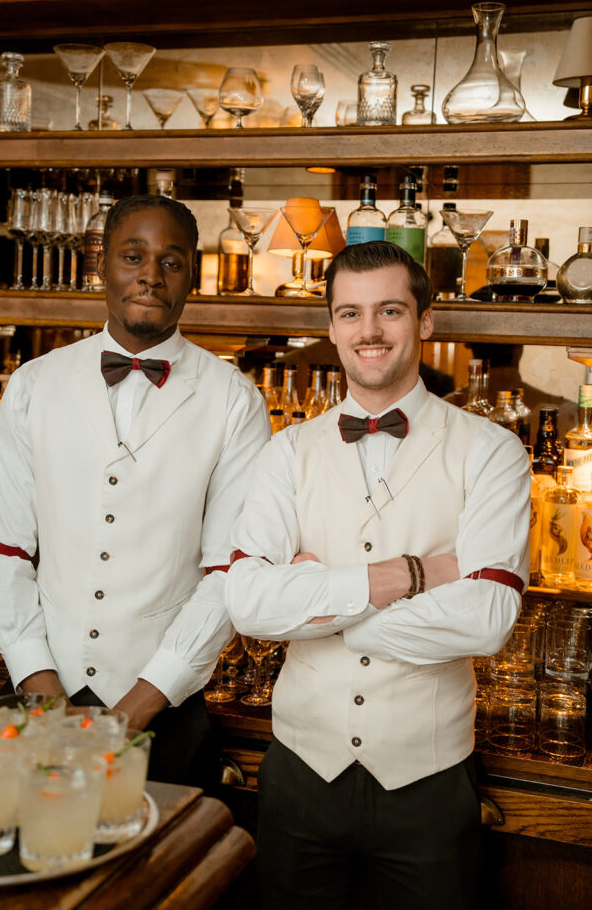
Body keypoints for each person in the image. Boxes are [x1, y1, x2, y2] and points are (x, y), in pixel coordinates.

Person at [226, 240, 530, 910]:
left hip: (428, 782)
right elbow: (247, 604)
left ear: (423, 320)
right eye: (349, 313)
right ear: (331, 326)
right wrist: (414, 574)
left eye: (389, 310)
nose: (368, 331)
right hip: (299, 776)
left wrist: (321, 603)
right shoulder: (286, 452)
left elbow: (487, 618)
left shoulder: (491, 451)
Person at [0, 194, 270, 786]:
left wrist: (140, 703)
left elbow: (229, 573)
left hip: (167, 711)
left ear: (193, 274)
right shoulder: (34, 384)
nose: (150, 276)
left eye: (172, 261)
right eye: (132, 255)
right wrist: (41, 688)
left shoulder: (234, 399)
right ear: (102, 264)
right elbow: (3, 549)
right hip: (43, 703)